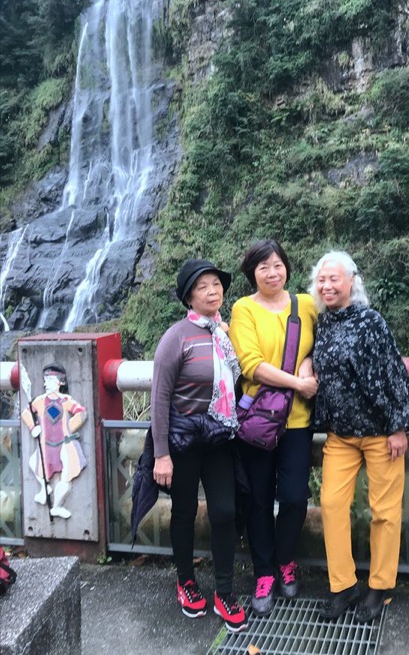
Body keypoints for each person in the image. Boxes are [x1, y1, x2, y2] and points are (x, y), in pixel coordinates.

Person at [309, 251, 409, 623]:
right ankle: (343, 584)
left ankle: (379, 585)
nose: (327, 286)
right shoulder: (323, 323)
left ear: (351, 281)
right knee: (331, 505)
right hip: (340, 434)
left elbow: (393, 372)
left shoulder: (371, 321)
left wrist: (398, 427)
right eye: (321, 280)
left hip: (380, 433)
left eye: (333, 279)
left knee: (384, 512)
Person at [151, 258, 247, 632]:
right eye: (202, 287)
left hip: (219, 437)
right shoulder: (176, 337)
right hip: (184, 441)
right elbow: (160, 397)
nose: (212, 291)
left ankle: (224, 591)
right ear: (189, 298)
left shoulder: (225, 334)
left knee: (224, 511)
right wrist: (161, 454)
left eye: (216, 284)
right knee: (184, 511)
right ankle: (186, 581)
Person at [229, 239, 318, 616]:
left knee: (295, 497)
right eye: (263, 267)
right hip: (258, 422)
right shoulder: (243, 308)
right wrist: (298, 383)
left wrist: (310, 360)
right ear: (252, 273)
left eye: (277, 265)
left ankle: (285, 560)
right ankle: (264, 573)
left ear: (287, 268)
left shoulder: (307, 304)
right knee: (259, 500)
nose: (271, 273)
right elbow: (251, 364)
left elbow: (326, 340)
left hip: (297, 421)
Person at [21, 363, 87, 519]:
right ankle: (45, 488)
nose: (46, 384)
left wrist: (69, 428)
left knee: (66, 478)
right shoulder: (40, 401)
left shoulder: (65, 400)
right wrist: (33, 427)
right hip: (46, 445)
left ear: (60, 382)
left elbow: (82, 413)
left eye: (50, 380)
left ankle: (56, 506)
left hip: (64, 445)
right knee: (33, 463)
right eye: (45, 380)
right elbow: (26, 413)